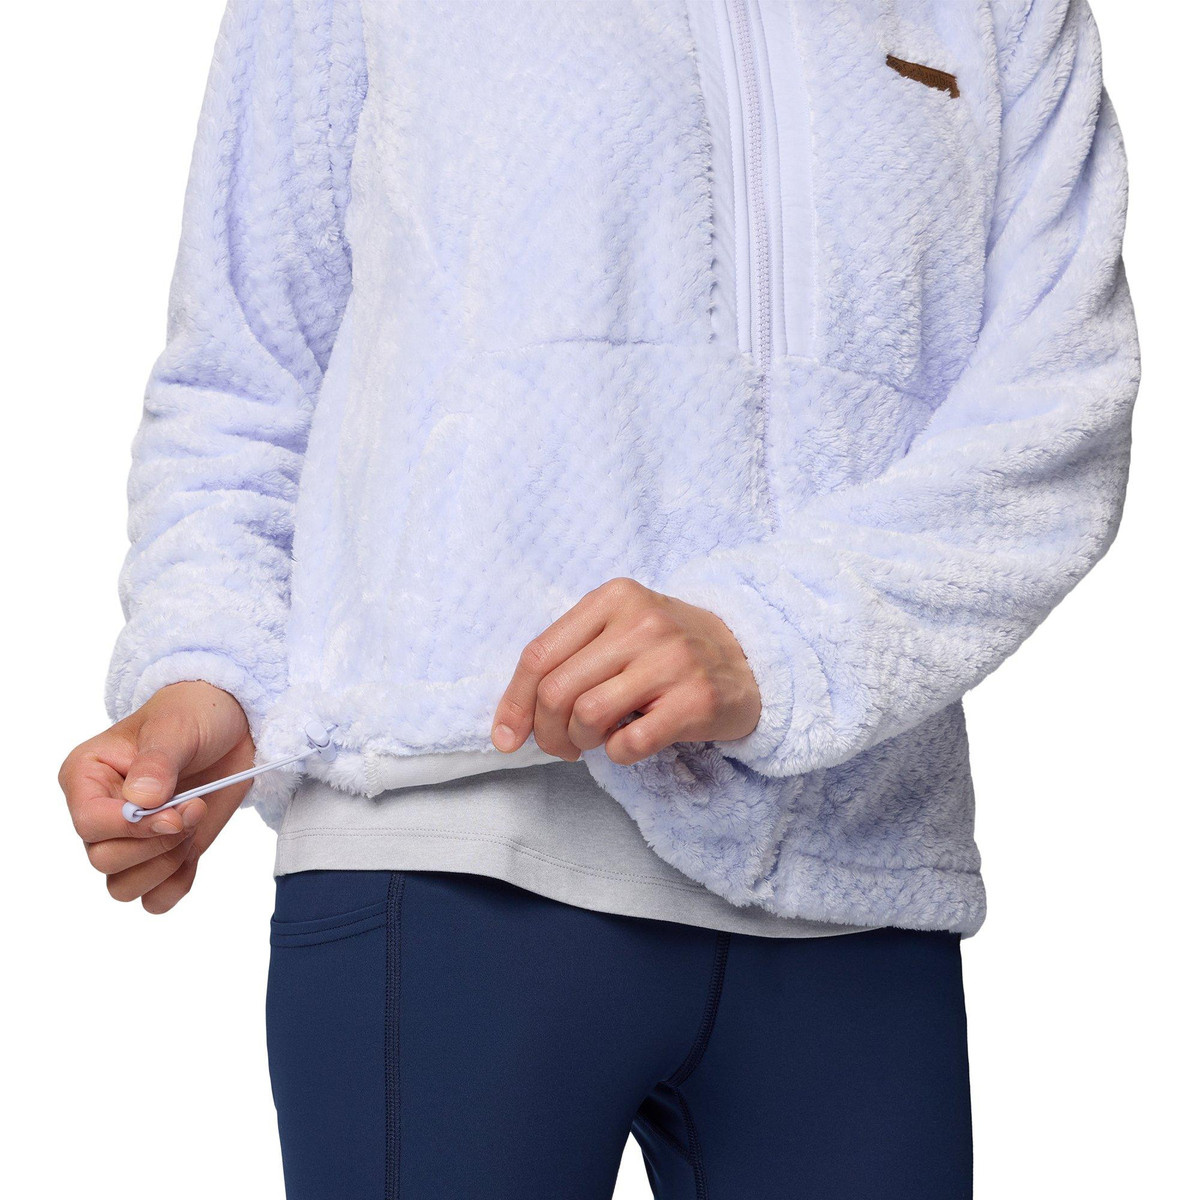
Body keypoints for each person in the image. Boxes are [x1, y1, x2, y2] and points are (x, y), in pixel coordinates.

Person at [58, 1, 1138, 1196]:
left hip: (858, 880)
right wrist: (209, 669)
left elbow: (1058, 407)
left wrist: (772, 639)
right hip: (452, 846)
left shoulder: (1002, 12)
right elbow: (246, 381)